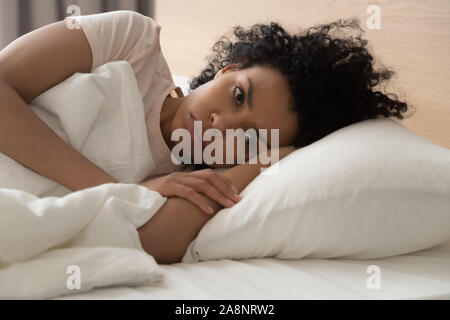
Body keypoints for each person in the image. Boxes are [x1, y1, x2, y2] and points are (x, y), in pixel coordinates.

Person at [0, 11, 409, 263]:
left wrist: (274, 156)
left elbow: (151, 243)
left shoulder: (186, 181)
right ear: (231, 68)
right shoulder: (132, 42)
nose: (220, 124)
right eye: (238, 95)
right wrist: (120, 189)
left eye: (249, 137)